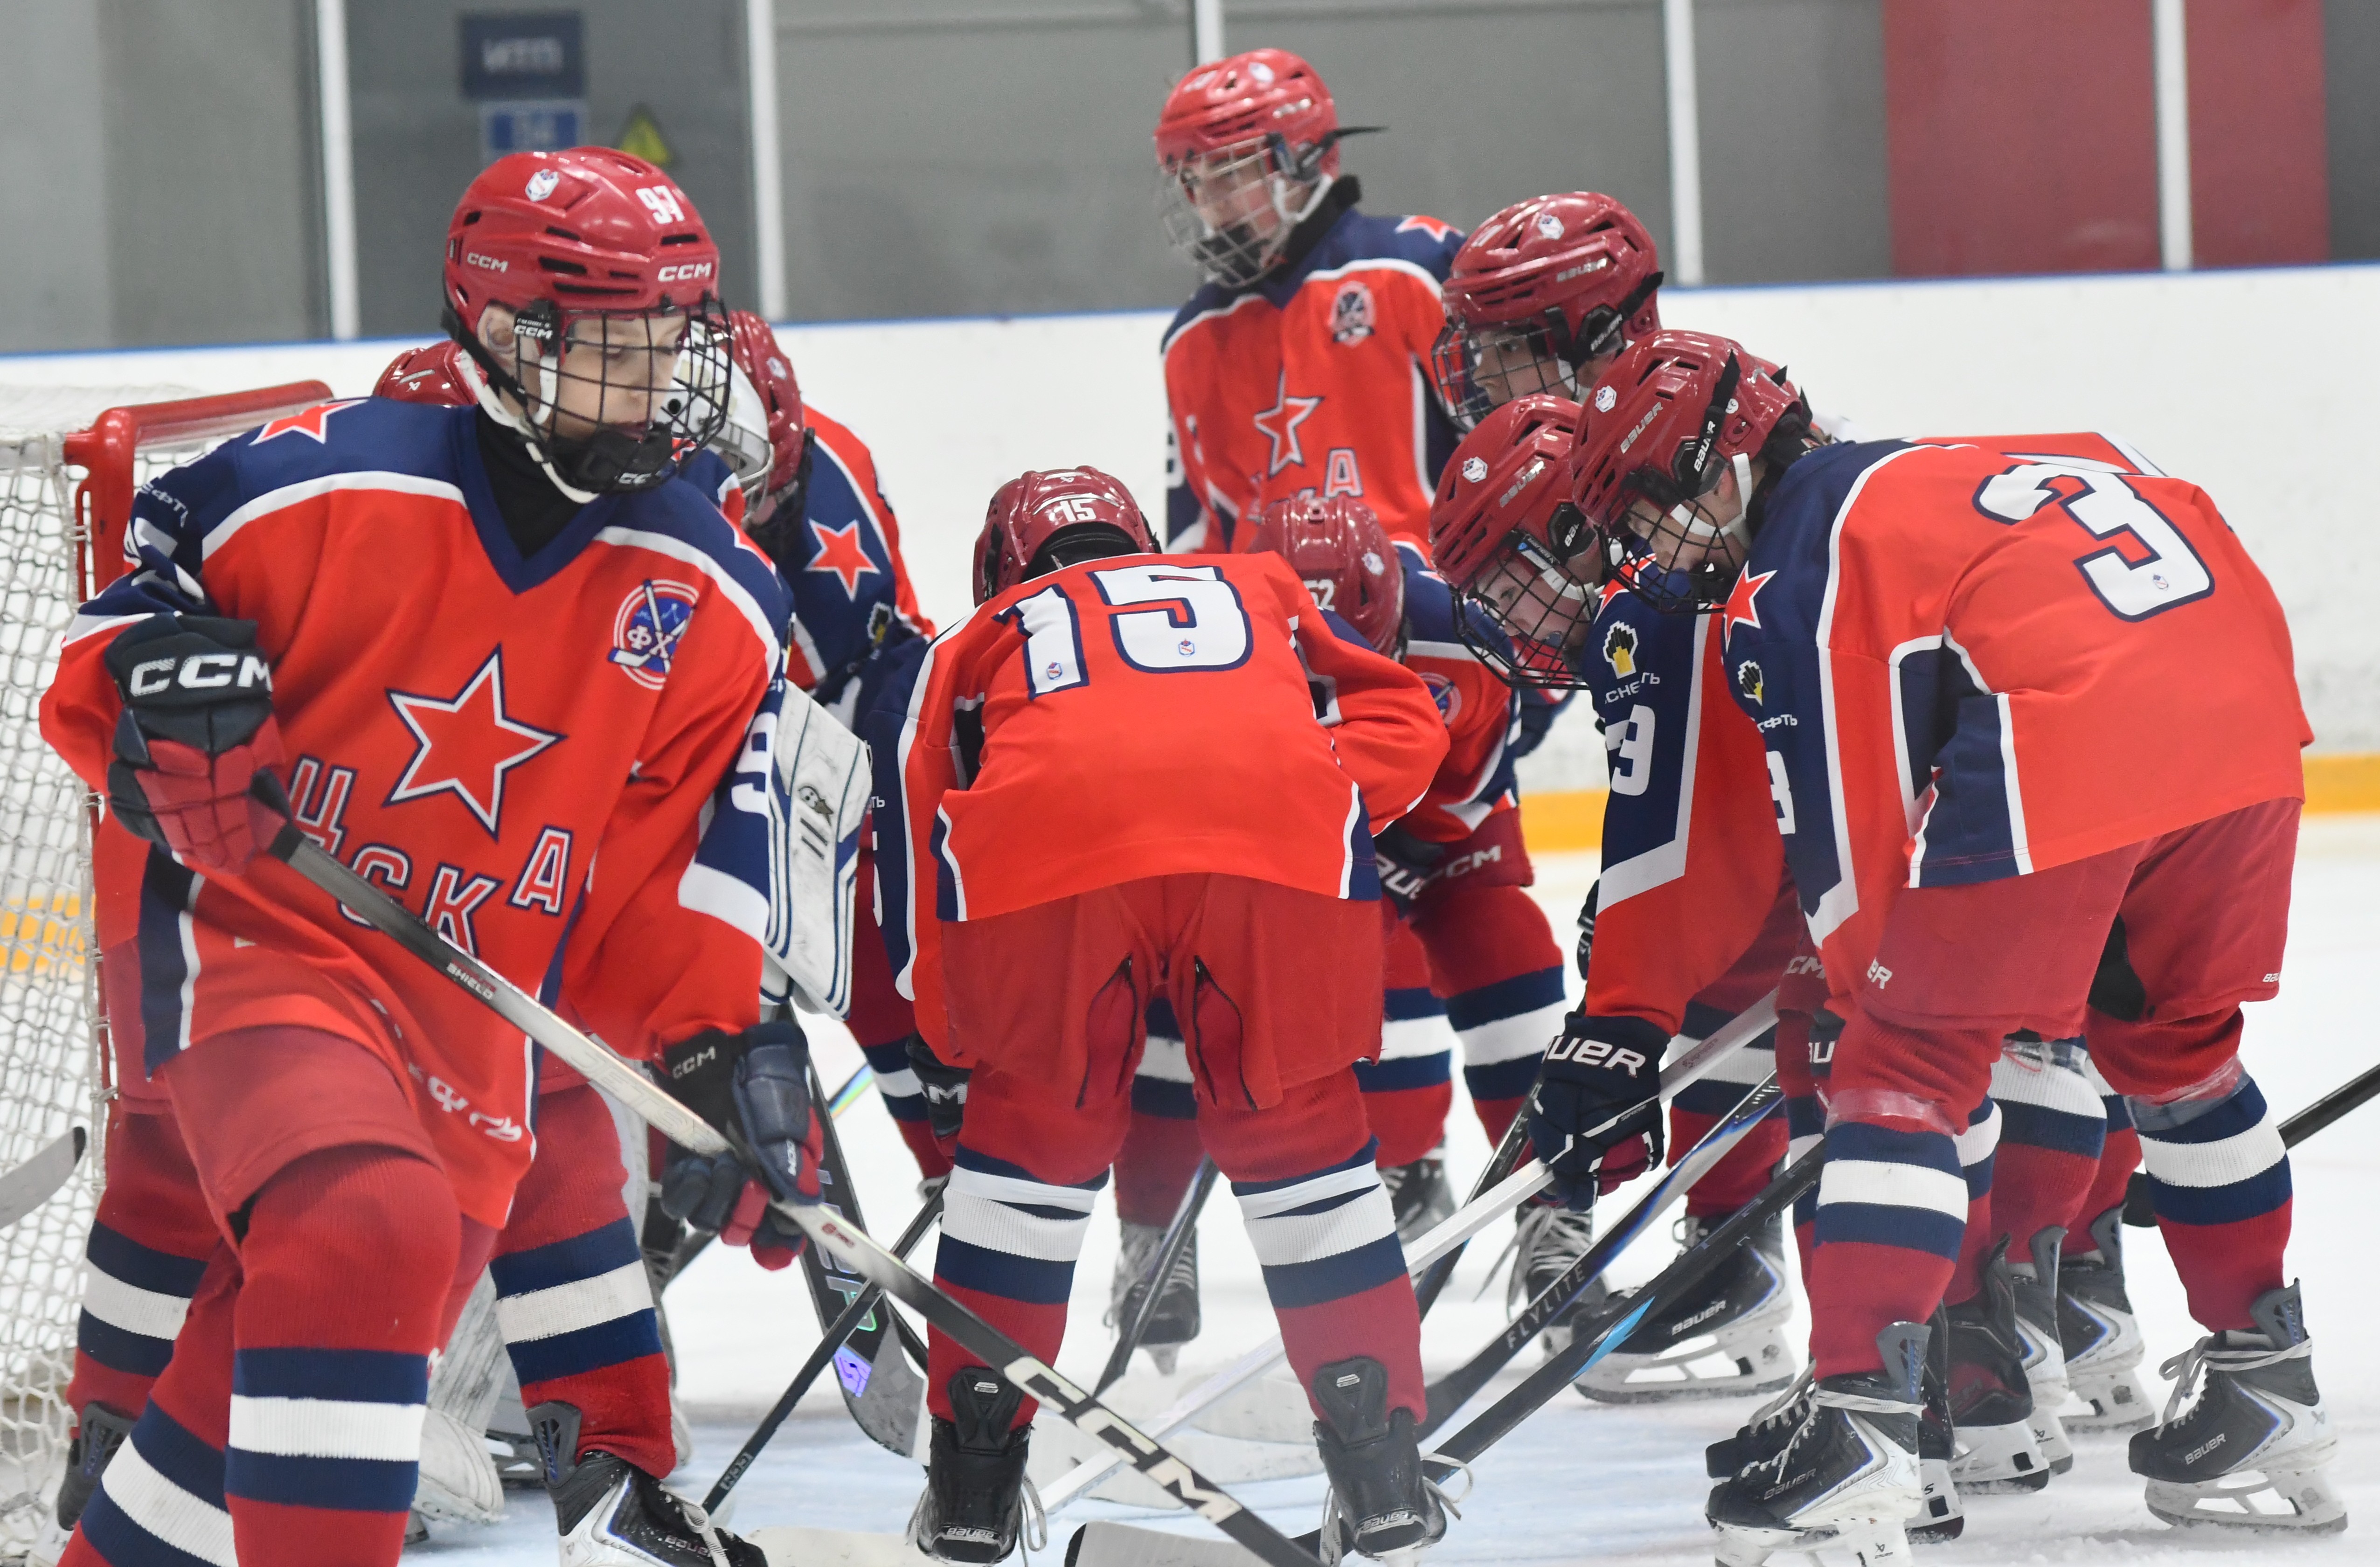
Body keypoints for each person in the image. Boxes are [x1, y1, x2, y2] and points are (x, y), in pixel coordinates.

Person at [37, 147, 819, 1567]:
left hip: (471, 1031)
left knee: (239, 1426)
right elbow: (121, 615)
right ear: (508, 337)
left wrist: (717, 1039)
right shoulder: (315, 482)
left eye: (670, 346)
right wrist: (163, 683)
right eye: (613, 350)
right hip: (264, 942)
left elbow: (672, 878)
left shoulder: (714, 595)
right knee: (369, 1227)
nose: (657, 386)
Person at [1459, 328, 2331, 1555]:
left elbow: (1856, 886)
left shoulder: (1802, 565)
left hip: (2078, 735)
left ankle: (1865, 1430)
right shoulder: (1955, 467)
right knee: (2175, 1048)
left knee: (1894, 1069)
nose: (1648, 555)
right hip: (2244, 714)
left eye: (1648, 514)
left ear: (1719, 470)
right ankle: (2263, 1384)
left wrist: (1862, 989)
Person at [864, 467, 1454, 1564]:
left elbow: (914, 815)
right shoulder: (1254, 580)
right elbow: (1406, 717)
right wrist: (1306, 785)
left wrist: (948, 1036)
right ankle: (1383, 1474)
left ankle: (974, 1487)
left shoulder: (982, 630)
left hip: (1055, 841)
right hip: (1275, 833)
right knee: (1307, 1151)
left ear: (1003, 565)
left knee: (1025, 1164)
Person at [1102, 495, 1569, 1369]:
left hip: (1430, 831)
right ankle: (1152, 1236)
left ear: (1393, 613)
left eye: (1370, 660)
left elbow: (1468, 787)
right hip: (1270, 835)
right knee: (1174, 984)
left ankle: (1552, 1216)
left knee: (1510, 955)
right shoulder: (1199, 639)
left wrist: (1374, 875)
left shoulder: (1466, 635)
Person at [1154, 48, 1463, 552]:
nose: (1212, 203)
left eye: (1230, 171)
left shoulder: (1416, 268)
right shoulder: (1192, 336)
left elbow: (1512, 459)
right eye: (1193, 181)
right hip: (1274, 620)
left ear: (1299, 158)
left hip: (1430, 608)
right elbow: (1198, 541)